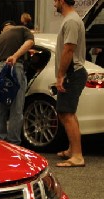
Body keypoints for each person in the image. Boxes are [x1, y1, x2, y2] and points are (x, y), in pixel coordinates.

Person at [54, 0, 88, 167]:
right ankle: (72, 150)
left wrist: (60, 75)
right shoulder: (70, 20)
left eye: (55, 1)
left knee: (67, 114)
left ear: (61, 1)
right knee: (65, 113)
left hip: (72, 73)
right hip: (70, 73)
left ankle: (77, 156)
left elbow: (69, 49)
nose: (54, 4)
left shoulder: (72, 21)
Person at [0, 20, 34, 145]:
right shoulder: (22, 30)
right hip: (15, 66)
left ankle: (1, 141)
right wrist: (15, 56)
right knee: (16, 108)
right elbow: (30, 42)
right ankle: (13, 143)